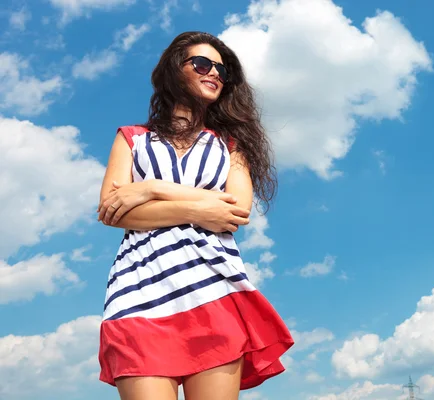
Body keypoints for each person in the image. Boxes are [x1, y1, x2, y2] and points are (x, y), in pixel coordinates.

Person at [96, 31, 294, 400]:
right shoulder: (131, 138)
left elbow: (234, 211)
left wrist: (152, 189)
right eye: (203, 64)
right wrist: (201, 206)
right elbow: (112, 209)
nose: (215, 73)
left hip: (213, 291)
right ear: (174, 70)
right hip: (137, 297)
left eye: (222, 70)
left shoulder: (232, 145)